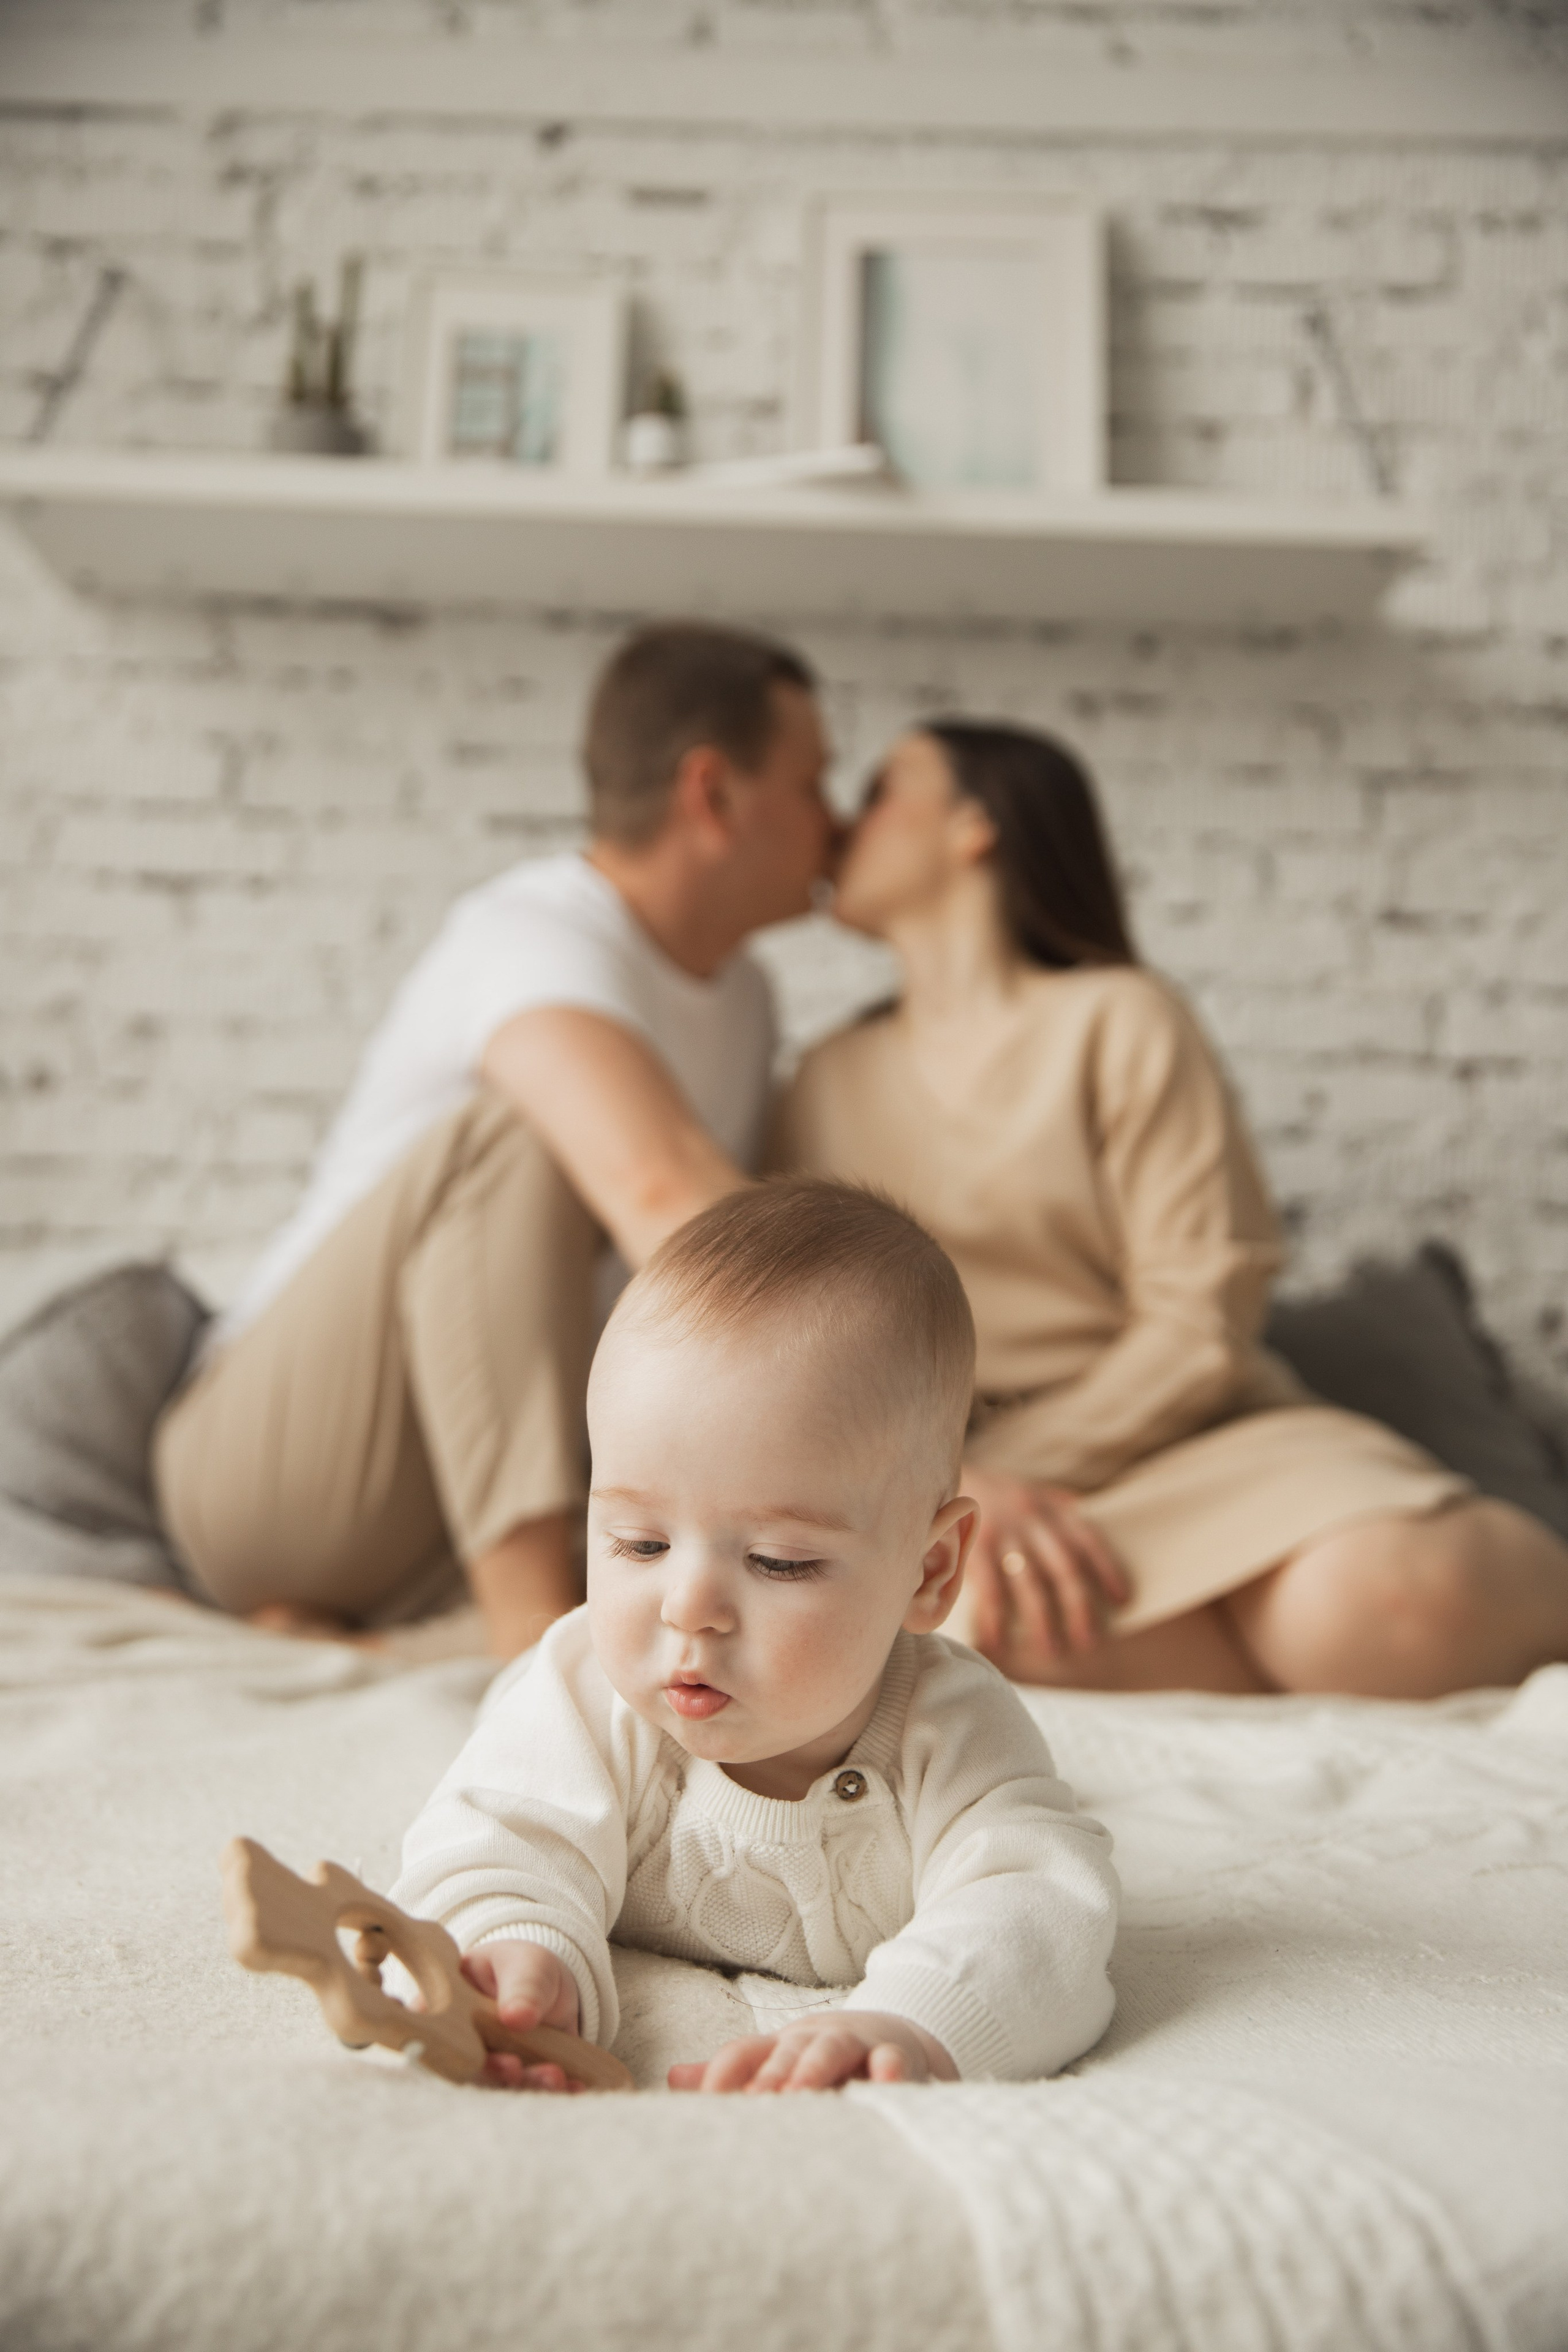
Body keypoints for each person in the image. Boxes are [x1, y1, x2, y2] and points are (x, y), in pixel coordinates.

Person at [775, 722, 1568, 1700]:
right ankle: (1270, 1646)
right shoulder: (819, 1081)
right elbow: (797, 1340)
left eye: (884, 789)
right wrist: (945, 1488)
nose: (846, 824)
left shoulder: (1122, 1017)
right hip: (977, 1499)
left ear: (975, 825)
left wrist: (987, 1471)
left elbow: (1201, 1326)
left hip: (1191, 1444)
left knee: (1383, 1608)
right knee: (965, 1631)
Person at [153, 622, 835, 1658]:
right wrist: (901, 1441)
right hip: (270, 1470)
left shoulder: (748, 1000)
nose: (836, 822)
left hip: (456, 1495)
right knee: (523, 1134)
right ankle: (534, 1645)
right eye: (815, 782)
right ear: (715, 795)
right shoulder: (533, 932)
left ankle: (369, 1634)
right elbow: (662, 1193)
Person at [393, 1178, 1118, 2092]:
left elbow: (1043, 1910)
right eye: (639, 1543)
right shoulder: (584, 1692)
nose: (687, 1609)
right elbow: (492, 1837)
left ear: (930, 1571)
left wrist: (913, 2023)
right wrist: (517, 1951)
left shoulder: (952, 1734)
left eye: (778, 1562)